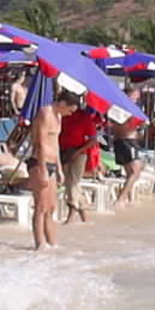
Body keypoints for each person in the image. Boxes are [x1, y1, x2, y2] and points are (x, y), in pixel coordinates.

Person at [14, 91, 62, 250]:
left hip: (52, 162)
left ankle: (52, 243)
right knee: (41, 206)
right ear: (63, 103)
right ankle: (40, 244)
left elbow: (56, 143)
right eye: (70, 109)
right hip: (39, 162)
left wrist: (59, 168)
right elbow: (40, 143)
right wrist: (42, 168)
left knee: (51, 207)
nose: (71, 113)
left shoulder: (59, 117)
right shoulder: (44, 114)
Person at [56, 93, 101, 224]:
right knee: (69, 183)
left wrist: (78, 151)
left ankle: (71, 213)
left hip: (79, 153)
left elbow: (93, 140)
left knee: (73, 183)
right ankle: (84, 216)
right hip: (63, 152)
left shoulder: (84, 118)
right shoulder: (60, 115)